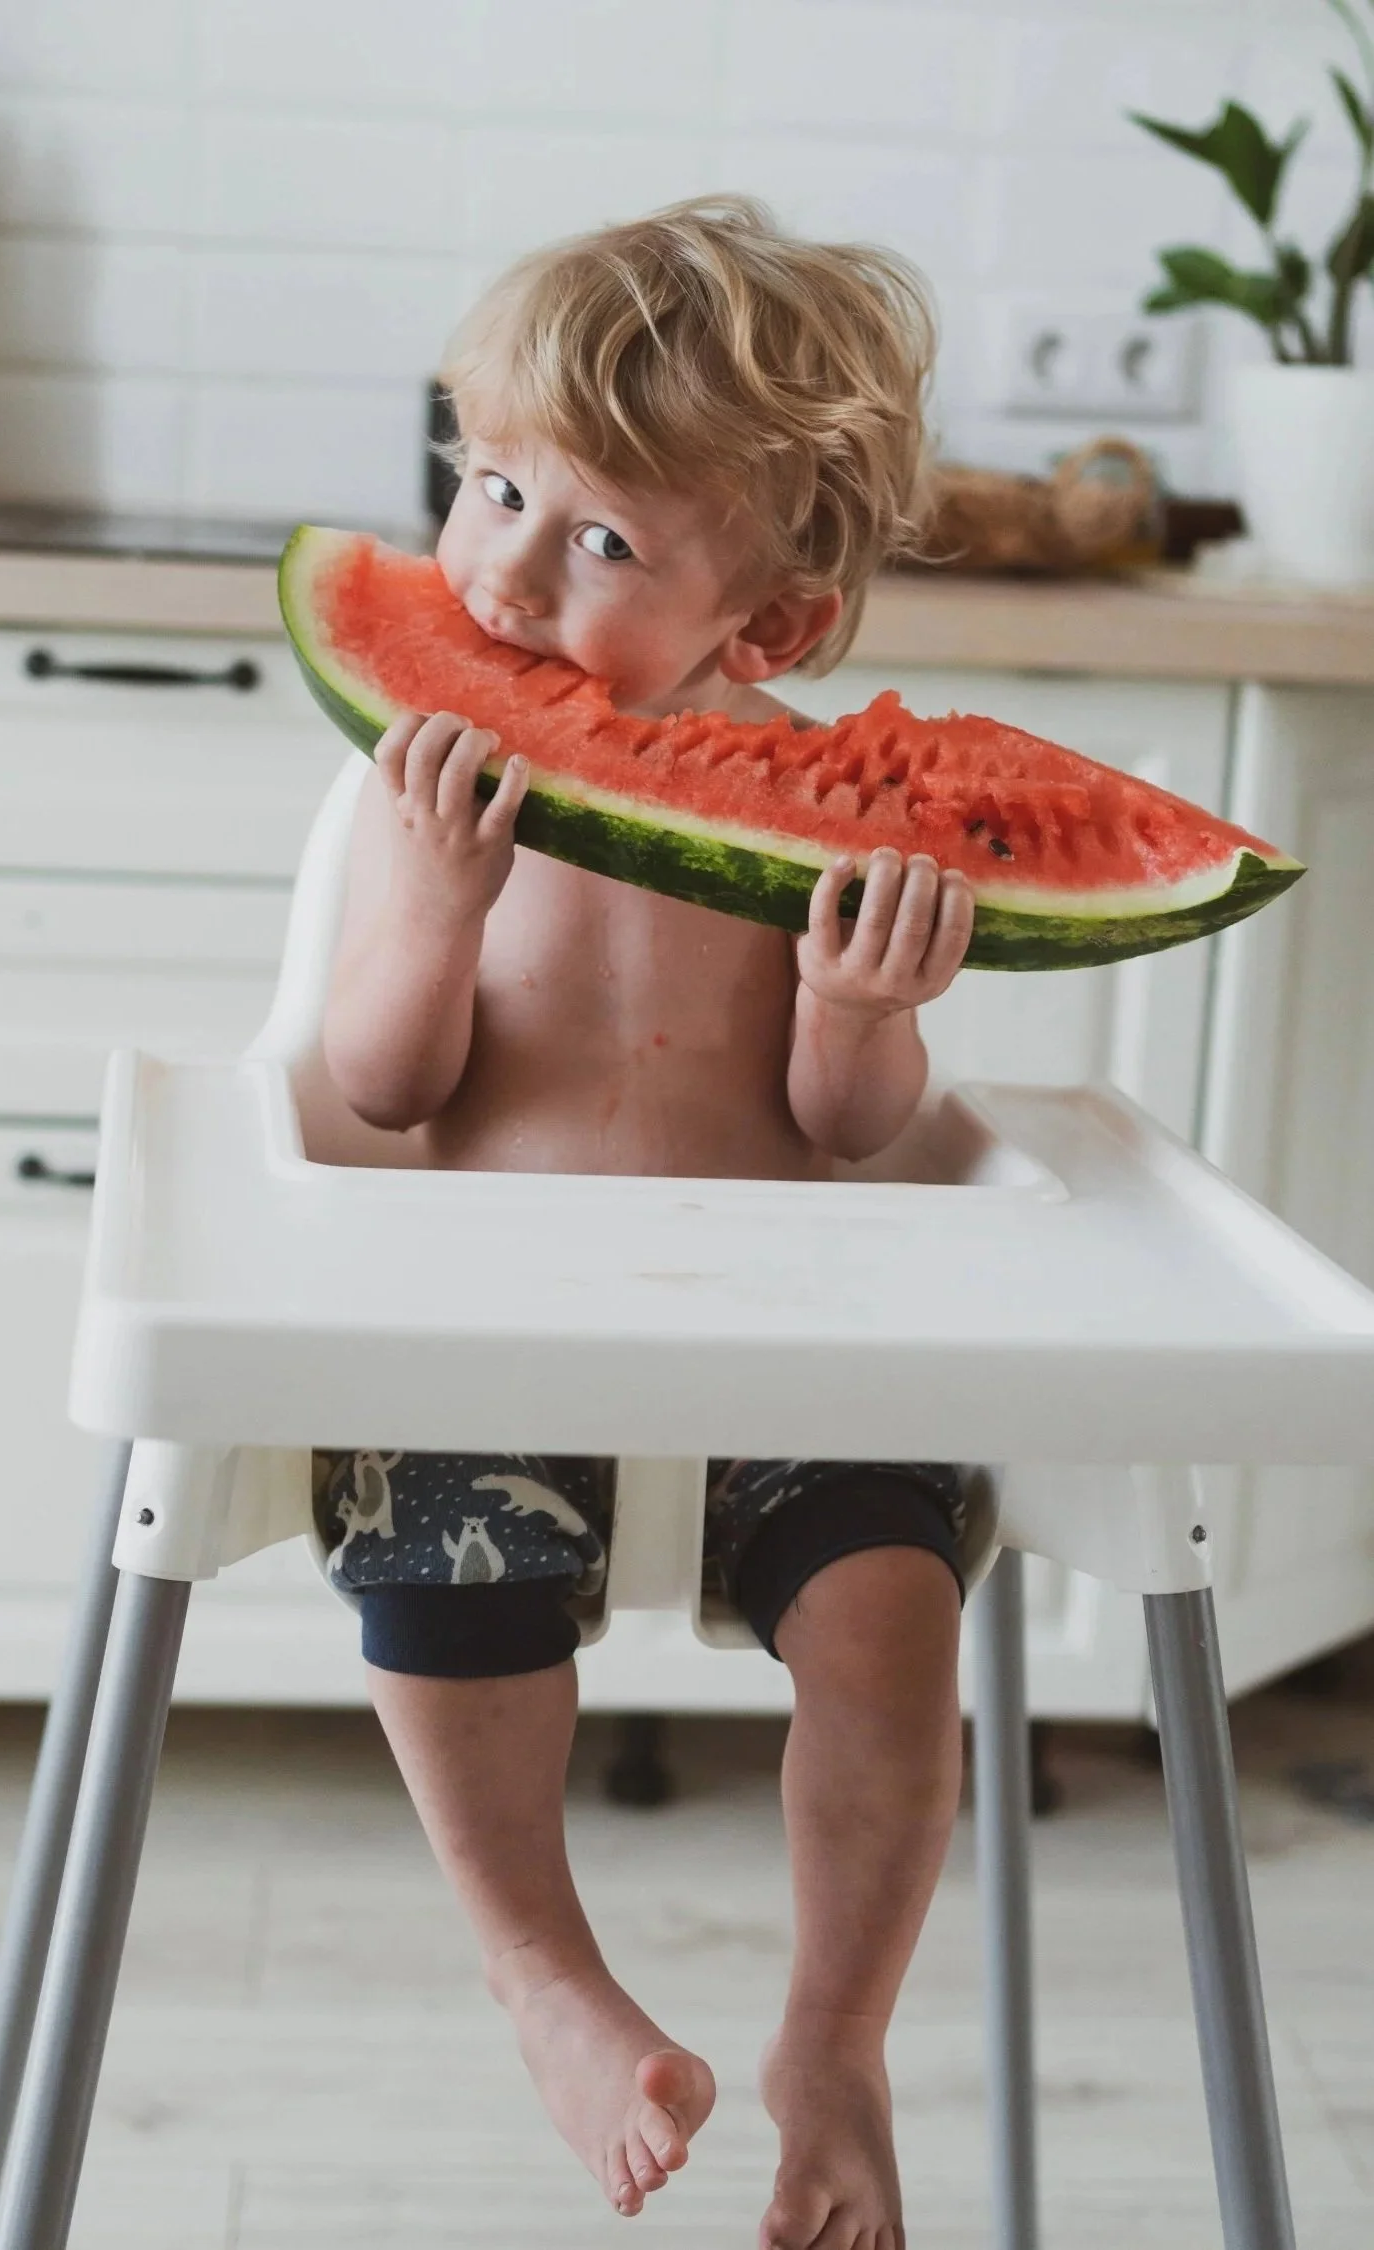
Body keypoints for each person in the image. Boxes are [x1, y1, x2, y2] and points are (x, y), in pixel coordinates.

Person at [318, 196, 977, 2250]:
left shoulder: (819, 817)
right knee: (443, 1608)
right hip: (493, 1329)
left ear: (762, 632)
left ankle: (833, 2038)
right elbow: (379, 1087)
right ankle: (542, 1971)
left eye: (595, 539)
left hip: (785, 1334)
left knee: (892, 1628)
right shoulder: (411, 792)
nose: (500, 573)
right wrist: (431, 905)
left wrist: (864, 1010)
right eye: (488, 485)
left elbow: (849, 1132)